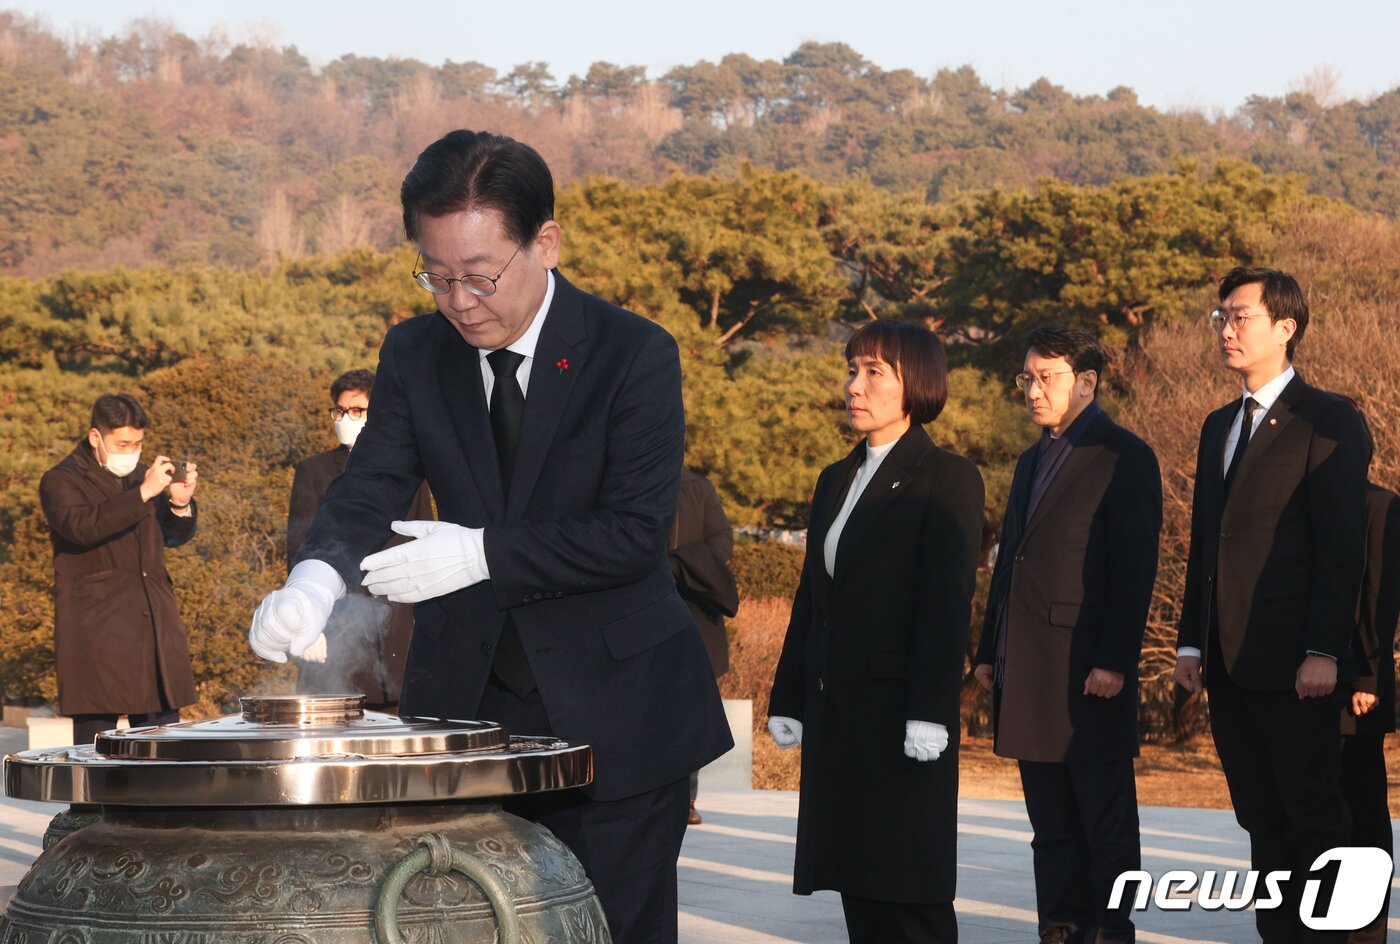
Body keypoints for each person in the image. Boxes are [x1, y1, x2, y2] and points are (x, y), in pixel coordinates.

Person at [247, 129, 732, 944]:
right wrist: (315, 581)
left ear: (545, 243)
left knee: (610, 929)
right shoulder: (416, 351)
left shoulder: (632, 353)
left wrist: (478, 553)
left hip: (617, 706)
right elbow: (370, 485)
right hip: (468, 711)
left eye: (479, 275)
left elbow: (633, 534)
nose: (459, 301)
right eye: (436, 276)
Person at [768, 319, 984, 943]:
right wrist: (789, 695)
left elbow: (946, 605)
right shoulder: (836, 478)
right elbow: (813, 600)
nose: (854, 386)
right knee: (860, 888)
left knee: (908, 895)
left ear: (916, 384)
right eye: (852, 370)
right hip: (841, 718)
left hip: (902, 722)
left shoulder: (947, 476)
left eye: (873, 372)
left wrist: (930, 712)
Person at [1173, 267, 1368, 942]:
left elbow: (1341, 548)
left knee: (1313, 815)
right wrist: (1191, 641)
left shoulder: (1328, 419)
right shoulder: (1217, 425)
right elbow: (1207, 540)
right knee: (1259, 816)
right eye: (1221, 317)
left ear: (1286, 327)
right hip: (1228, 662)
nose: (1226, 329)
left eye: (1241, 317)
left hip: (1296, 664)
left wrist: (1324, 650)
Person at [973, 325, 1161, 944]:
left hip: (1088, 670)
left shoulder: (1123, 455)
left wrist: (1115, 660)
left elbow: (1134, 569)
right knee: (1050, 822)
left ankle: (1109, 930)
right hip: (1028, 667)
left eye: (1046, 378)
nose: (1032, 391)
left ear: (1086, 382)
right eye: (1026, 378)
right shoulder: (1030, 460)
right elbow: (1011, 561)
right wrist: (988, 650)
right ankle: (1058, 928)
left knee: (1104, 819)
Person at [39, 393, 200, 747]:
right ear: (95, 437)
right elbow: (82, 527)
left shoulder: (144, 477)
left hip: (154, 626)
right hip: (97, 631)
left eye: (138, 444)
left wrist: (179, 504)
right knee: (97, 751)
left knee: (164, 750)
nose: (131, 452)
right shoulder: (61, 480)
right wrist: (142, 493)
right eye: (122, 444)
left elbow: (172, 537)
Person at [287, 368, 433, 710]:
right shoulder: (313, 471)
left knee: (402, 719)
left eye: (357, 410)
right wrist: (307, 620)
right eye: (339, 410)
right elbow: (299, 547)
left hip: (397, 618)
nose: (345, 418)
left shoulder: (411, 469)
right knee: (336, 716)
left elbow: (424, 538)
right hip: (337, 618)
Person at [1336, 403, 1398, 944]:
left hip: (1359, 686)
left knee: (1363, 806)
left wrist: (1368, 679)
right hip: (1305, 685)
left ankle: (1366, 930)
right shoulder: (1305, 508)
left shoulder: (1381, 505)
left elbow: (1382, 599)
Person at [668, 467, 739, 826]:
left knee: (688, 716)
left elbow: (721, 542)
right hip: (639, 613)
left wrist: (675, 565)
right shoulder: (629, 477)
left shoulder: (698, 488)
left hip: (694, 615)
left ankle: (686, 800)